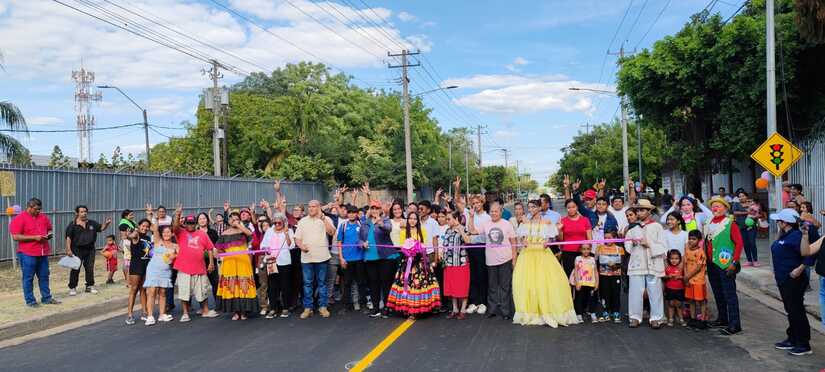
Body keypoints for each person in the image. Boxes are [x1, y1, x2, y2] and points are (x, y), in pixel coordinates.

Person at [512, 199, 578, 327]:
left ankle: (547, 310)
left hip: (543, 255)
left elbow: (553, 234)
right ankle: (532, 312)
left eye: (533, 207)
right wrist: (524, 240)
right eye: (529, 207)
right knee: (529, 283)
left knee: (546, 282)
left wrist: (547, 241)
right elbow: (522, 237)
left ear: (538, 208)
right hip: (528, 255)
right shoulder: (525, 221)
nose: (530, 209)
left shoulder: (547, 222)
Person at [771, 208, 814, 356]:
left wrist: (799, 269)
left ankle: (803, 343)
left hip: (794, 279)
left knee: (796, 310)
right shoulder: (785, 235)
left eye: (779, 221)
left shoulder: (797, 236)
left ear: (785, 223)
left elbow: (808, 255)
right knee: (791, 310)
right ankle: (792, 338)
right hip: (783, 279)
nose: (777, 223)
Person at [386, 211, 441, 318]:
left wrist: (417, 248)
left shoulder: (423, 230)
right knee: (407, 285)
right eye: (410, 218)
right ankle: (409, 310)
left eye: (415, 219)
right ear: (408, 220)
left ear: (418, 220)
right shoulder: (403, 232)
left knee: (420, 284)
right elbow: (402, 247)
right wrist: (409, 251)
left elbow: (424, 245)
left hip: (420, 262)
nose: (412, 221)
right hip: (407, 262)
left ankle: (421, 309)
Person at [170, 206, 220, 322]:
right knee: (184, 291)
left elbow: (210, 248)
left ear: (195, 223)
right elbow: (175, 227)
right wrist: (177, 215)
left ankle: (205, 311)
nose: (190, 225)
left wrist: (211, 263)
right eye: (188, 223)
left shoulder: (202, 234)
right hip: (184, 268)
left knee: (203, 291)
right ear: (185, 224)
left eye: (192, 223)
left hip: (200, 268)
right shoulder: (181, 232)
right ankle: (185, 313)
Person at [469, 202, 517, 320]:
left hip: (505, 259)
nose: (494, 213)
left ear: (501, 212)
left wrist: (514, 259)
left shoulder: (507, 224)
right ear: (489, 212)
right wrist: (471, 216)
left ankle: (506, 312)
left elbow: (514, 242)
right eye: (492, 211)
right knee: (492, 286)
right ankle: (492, 310)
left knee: (505, 287)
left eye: (496, 211)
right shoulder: (486, 224)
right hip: (490, 261)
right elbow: (472, 230)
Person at [704, 197, 744, 336]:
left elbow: (739, 243)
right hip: (711, 263)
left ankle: (735, 324)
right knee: (718, 293)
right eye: (713, 206)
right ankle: (722, 319)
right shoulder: (708, 222)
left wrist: (735, 262)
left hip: (725, 263)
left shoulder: (730, 223)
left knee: (729, 295)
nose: (715, 208)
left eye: (718, 206)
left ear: (725, 209)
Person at [10, 198, 60, 307]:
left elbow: (49, 229)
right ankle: (30, 301)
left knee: (44, 276)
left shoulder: (43, 217)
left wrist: (49, 234)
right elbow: (15, 236)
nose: (39, 211)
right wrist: (34, 238)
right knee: (28, 277)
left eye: (40, 209)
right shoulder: (19, 219)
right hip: (27, 253)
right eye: (37, 209)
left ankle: (46, 298)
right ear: (29, 207)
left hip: (43, 252)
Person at [626, 199, 666, 329]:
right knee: (635, 291)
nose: (639, 212)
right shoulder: (633, 228)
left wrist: (649, 245)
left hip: (653, 263)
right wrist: (632, 243)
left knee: (655, 291)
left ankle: (656, 318)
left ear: (649, 211)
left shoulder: (657, 227)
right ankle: (635, 317)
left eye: (642, 210)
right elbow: (627, 246)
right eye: (637, 210)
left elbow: (664, 247)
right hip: (637, 263)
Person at [295, 200, 336, 319]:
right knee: (307, 284)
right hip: (306, 258)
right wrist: (302, 246)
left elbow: (332, 232)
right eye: (310, 206)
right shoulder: (303, 221)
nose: (311, 208)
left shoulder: (325, 219)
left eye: (314, 206)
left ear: (319, 208)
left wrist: (323, 218)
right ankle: (308, 308)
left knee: (322, 284)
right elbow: (297, 239)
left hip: (322, 257)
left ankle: (323, 307)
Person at [215, 211, 257, 320]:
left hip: (243, 261)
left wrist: (239, 225)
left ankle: (244, 312)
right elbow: (218, 249)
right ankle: (236, 312)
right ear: (228, 221)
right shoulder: (224, 233)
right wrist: (218, 254)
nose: (234, 221)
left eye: (236, 219)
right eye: (232, 219)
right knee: (232, 285)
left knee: (243, 285)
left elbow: (250, 234)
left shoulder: (243, 231)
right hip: (229, 262)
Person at [361, 200, 398, 318]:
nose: (375, 210)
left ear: (380, 210)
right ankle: (376, 308)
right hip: (370, 257)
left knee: (386, 283)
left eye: (377, 208)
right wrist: (362, 243)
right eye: (373, 208)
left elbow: (388, 229)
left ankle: (387, 308)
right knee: (373, 283)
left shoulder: (385, 220)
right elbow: (359, 239)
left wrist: (380, 223)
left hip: (385, 257)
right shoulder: (365, 223)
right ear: (370, 210)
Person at [64, 205, 111, 295]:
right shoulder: (72, 225)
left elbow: (101, 228)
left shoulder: (92, 223)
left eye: (85, 211)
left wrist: (107, 224)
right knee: (75, 268)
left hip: (90, 249)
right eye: (81, 212)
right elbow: (68, 238)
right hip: (77, 249)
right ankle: (73, 287)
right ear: (77, 213)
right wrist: (68, 249)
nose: (84, 213)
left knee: (89, 268)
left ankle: (89, 286)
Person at [260, 212, 294, 318]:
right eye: (275, 222)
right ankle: (273, 308)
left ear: (284, 222)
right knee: (272, 286)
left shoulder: (289, 231)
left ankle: (285, 308)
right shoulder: (269, 231)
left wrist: (287, 233)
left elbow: (292, 246)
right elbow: (263, 245)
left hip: (284, 261)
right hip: (271, 262)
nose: (277, 224)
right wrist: (267, 249)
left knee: (285, 285)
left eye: (280, 222)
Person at [143, 224, 177, 326]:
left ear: (172, 233)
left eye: (168, 232)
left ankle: (162, 314)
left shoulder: (175, 246)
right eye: (164, 232)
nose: (166, 234)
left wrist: (174, 255)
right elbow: (155, 228)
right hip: (153, 270)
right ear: (161, 234)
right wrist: (150, 215)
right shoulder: (158, 241)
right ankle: (150, 316)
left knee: (163, 292)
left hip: (165, 271)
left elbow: (180, 256)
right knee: (152, 291)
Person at [439, 210, 471, 320]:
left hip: (461, 263)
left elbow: (468, 241)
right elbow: (445, 245)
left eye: (449, 219)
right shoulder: (447, 230)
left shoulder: (463, 228)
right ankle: (455, 309)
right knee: (452, 286)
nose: (447, 221)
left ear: (456, 219)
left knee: (462, 286)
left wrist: (460, 229)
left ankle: (463, 309)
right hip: (449, 263)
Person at [337, 205, 367, 312]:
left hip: (359, 258)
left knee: (361, 282)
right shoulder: (343, 225)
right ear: (347, 214)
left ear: (356, 214)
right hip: (347, 259)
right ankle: (346, 305)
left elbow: (365, 239)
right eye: (349, 212)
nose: (351, 214)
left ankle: (362, 304)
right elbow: (339, 242)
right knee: (347, 283)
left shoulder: (361, 224)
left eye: (354, 212)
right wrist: (341, 258)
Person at [465, 195, 490, 315]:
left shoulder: (487, 217)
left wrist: (473, 233)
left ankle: (483, 302)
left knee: (482, 275)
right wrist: (470, 217)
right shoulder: (471, 215)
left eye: (478, 203)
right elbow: (470, 230)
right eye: (473, 203)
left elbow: (474, 232)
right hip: (470, 248)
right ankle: (474, 302)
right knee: (473, 276)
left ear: (482, 203)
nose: (476, 205)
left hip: (482, 247)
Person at [557, 199, 593, 278]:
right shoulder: (562, 221)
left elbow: (590, 238)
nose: (571, 209)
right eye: (568, 207)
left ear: (577, 207)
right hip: (568, 253)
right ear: (566, 209)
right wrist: (559, 229)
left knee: (583, 277)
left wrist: (587, 252)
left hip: (583, 253)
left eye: (573, 207)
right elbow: (560, 239)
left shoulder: (585, 220)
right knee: (569, 277)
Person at [124, 223, 151, 325]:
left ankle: (144, 312)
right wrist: (128, 235)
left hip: (146, 265)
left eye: (147, 226)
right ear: (139, 227)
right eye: (143, 226)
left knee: (143, 288)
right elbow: (131, 236)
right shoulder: (136, 234)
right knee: (134, 289)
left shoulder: (148, 237)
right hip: (136, 265)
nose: (145, 228)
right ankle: (130, 315)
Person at [596, 230, 624, 323]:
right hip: (603, 275)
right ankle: (605, 312)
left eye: (609, 238)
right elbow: (597, 262)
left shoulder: (619, 249)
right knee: (605, 293)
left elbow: (622, 263)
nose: (607, 240)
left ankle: (616, 312)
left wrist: (615, 266)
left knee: (615, 293)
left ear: (615, 238)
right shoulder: (600, 248)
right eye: (605, 238)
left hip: (616, 275)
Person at [684, 230, 708, 328]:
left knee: (701, 301)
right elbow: (685, 264)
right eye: (689, 238)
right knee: (691, 300)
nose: (691, 241)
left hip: (698, 280)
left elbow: (698, 268)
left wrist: (687, 277)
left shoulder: (700, 252)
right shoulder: (687, 250)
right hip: (689, 280)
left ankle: (703, 320)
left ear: (699, 240)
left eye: (694, 239)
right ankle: (693, 319)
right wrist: (686, 277)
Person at [570, 244, 599, 324]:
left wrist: (597, 282)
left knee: (592, 299)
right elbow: (575, 271)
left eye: (588, 249)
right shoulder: (578, 258)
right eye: (584, 249)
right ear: (580, 250)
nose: (586, 251)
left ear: (590, 249)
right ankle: (579, 314)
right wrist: (577, 282)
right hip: (581, 283)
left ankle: (593, 314)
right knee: (579, 299)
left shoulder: (592, 259)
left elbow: (595, 271)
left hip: (591, 283)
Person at [196, 212, 220, 305]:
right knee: (201, 285)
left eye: (204, 218)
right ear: (198, 221)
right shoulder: (195, 233)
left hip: (211, 261)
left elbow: (217, 245)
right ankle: (202, 307)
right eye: (200, 219)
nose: (202, 220)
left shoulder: (213, 232)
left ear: (207, 220)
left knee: (215, 282)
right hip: (199, 262)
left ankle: (218, 304)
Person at [664, 249, 686, 327]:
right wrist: (668, 276)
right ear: (669, 259)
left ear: (680, 259)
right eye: (672, 258)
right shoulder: (668, 268)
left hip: (679, 289)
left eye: (676, 259)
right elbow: (664, 277)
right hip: (670, 289)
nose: (674, 260)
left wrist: (680, 277)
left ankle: (681, 319)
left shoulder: (681, 268)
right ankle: (671, 319)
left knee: (679, 304)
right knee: (671, 304)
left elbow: (685, 277)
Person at [118, 209, 136, 287]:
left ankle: (129, 281)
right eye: (131, 215)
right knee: (128, 264)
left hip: (131, 242)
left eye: (133, 214)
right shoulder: (123, 224)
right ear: (126, 216)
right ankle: (128, 282)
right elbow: (124, 236)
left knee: (129, 263)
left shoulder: (131, 222)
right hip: (127, 244)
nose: (133, 216)